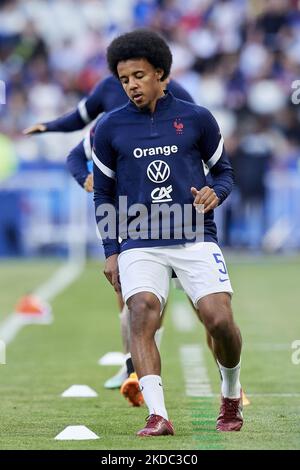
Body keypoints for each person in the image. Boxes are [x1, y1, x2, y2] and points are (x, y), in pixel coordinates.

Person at [93, 29, 244, 436]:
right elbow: (103, 194)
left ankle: (231, 395)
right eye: (124, 80)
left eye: (139, 76)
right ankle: (157, 414)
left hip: (195, 236)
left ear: (161, 73)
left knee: (219, 321)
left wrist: (217, 193)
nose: (131, 86)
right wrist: (111, 250)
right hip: (139, 241)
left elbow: (225, 173)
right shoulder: (109, 128)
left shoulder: (196, 118)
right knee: (141, 309)